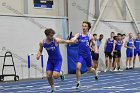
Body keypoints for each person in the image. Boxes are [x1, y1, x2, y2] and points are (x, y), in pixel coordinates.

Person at [36, 28, 72, 93]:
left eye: (53, 35)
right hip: (50, 60)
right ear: (46, 35)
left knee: (55, 76)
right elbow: (40, 50)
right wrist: (38, 54)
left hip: (58, 60)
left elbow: (65, 41)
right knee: (49, 75)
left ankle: (61, 74)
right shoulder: (42, 42)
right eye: (51, 36)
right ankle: (53, 88)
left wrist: (73, 41)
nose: (52, 37)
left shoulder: (55, 40)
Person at [71, 21, 98, 89]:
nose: (84, 27)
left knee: (90, 69)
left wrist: (96, 50)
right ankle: (78, 82)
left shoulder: (89, 36)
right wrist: (73, 39)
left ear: (88, 27)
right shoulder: (78, 34)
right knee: (77, 67)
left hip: (87, 55)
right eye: (83, 26)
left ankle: (95, 73)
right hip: (80, 55)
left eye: (85, 26)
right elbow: (74, 38)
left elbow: (94, 43)